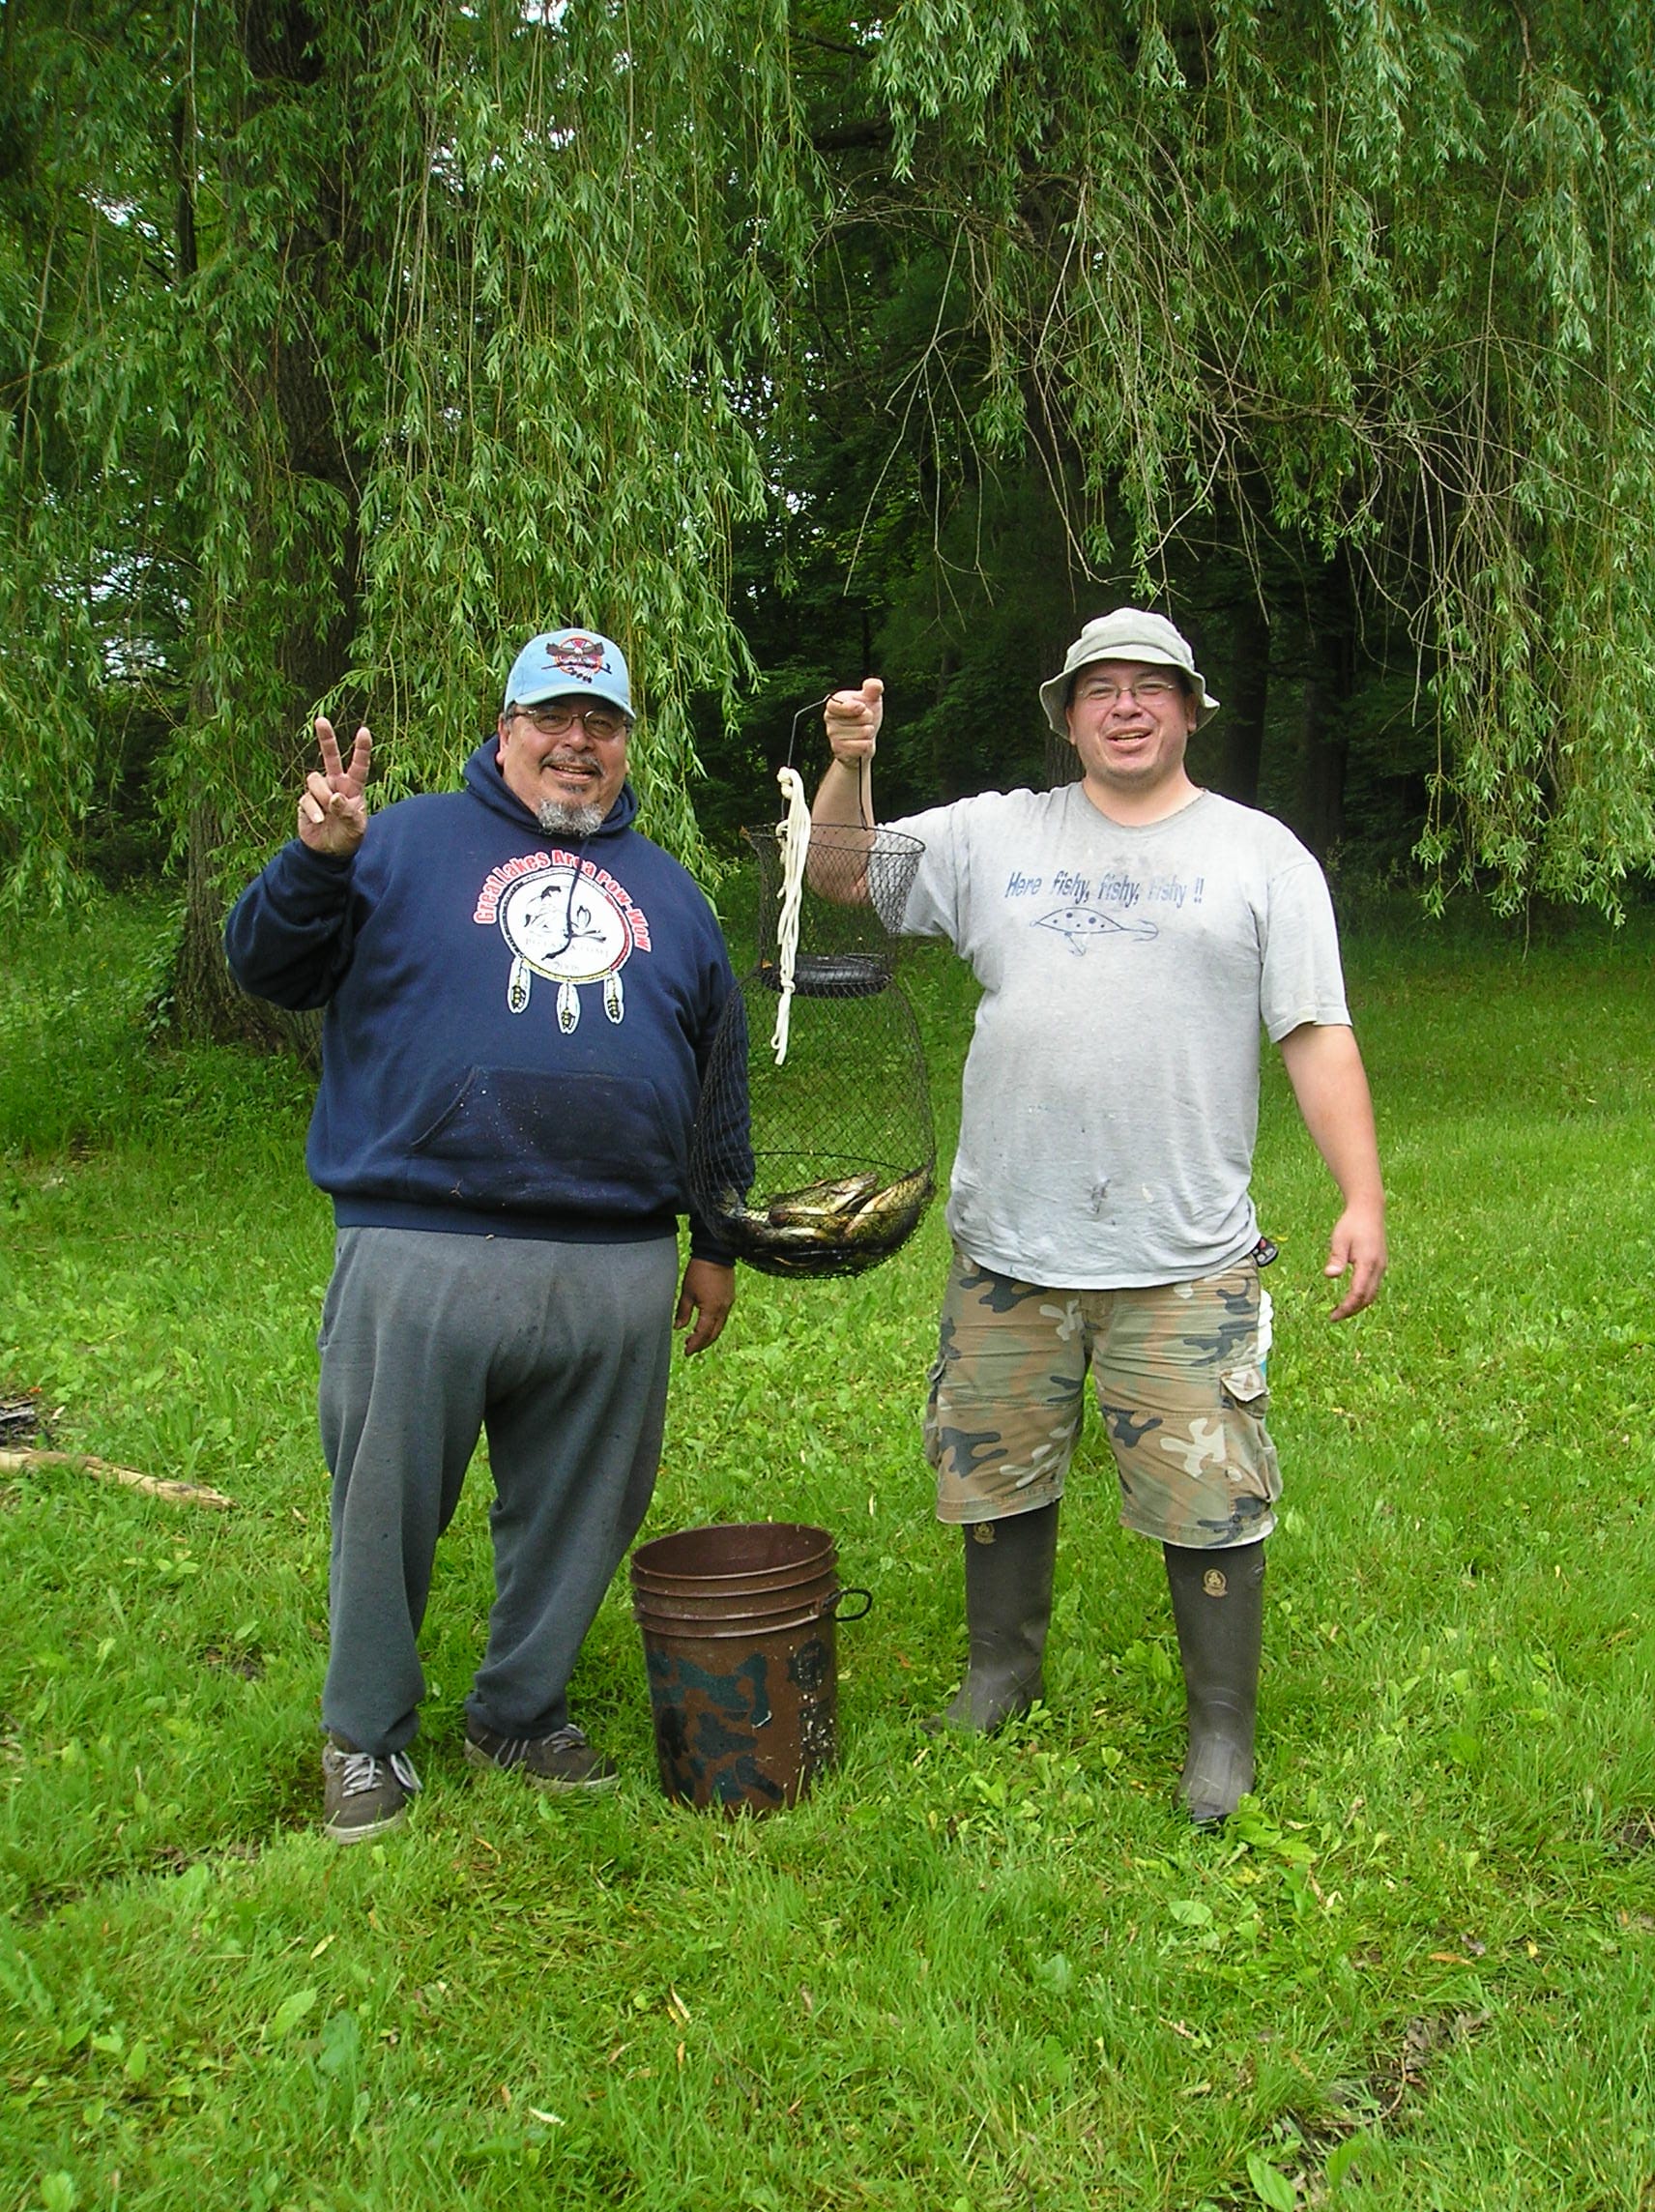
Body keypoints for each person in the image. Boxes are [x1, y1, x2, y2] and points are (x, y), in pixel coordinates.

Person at [812, 607, 1385, 1824]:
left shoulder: (1260, 856)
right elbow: (842, 874)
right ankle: (998, 1676)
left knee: (1210, 1498)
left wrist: (1361, 1194)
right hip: (1007, 1246)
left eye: (1150, 686)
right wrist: (849, 766)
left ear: (1188, 711)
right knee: (992, 1470)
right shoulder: (991, 835)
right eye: (1099, 689)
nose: (1125, 707)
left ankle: (1219, 1732)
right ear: (1066, 716)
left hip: (1180, 1255)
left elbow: (1313, 1028)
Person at [225, 628, 739, 1844]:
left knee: (583, 1504)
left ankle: (518, 1710)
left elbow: (717, 1079)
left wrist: (715, 1237)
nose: (577, 742)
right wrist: (314, 861)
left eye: (601, 723)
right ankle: (365, 1735)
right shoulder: (395, 842)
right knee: (385, 1505)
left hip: (616, 1254)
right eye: (552, 717)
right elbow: (268, 966)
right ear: (504, 729)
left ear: (626, 746)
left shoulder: (672, 894)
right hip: (422, 1237)